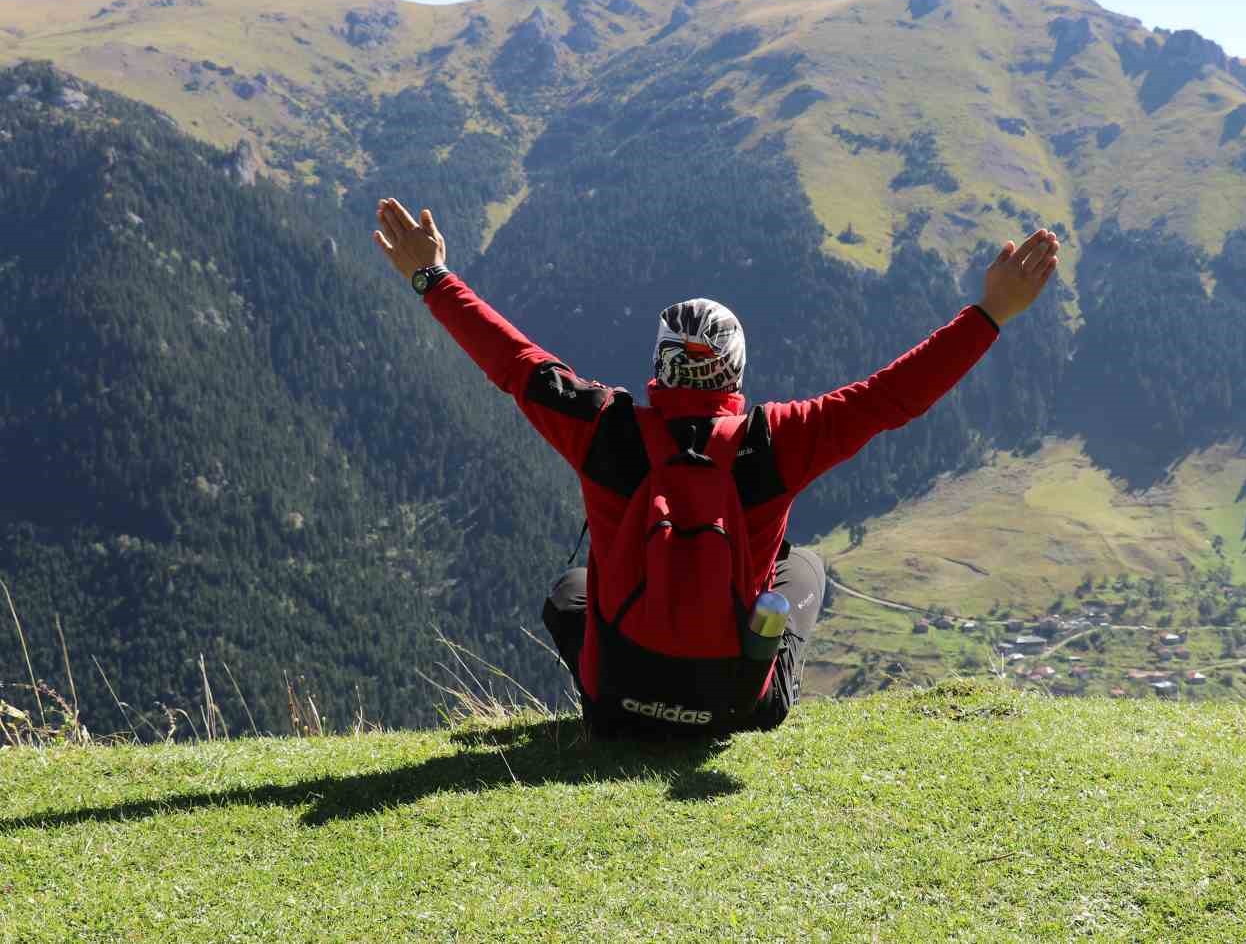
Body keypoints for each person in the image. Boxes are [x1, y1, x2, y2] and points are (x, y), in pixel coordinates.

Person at [372, 197, 1059, 736]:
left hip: (614, 704)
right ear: (736, 366)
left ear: (658, 362)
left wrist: (431, 277)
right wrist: (992, 312)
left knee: (570, 589)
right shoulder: (778, 440)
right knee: (804, 567)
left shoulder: (602, 428)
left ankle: (634, 699)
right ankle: (755, 676)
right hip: (737, 705)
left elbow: (512, 361)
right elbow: (891, 397)